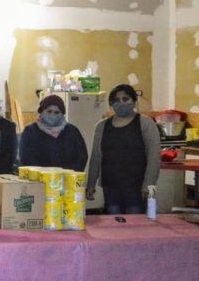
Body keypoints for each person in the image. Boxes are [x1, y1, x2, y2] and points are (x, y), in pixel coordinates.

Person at [86, 84, 161, 214]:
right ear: (111, 104)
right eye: (116, 100)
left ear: (134, 101)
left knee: (135, 225)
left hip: (137, 187)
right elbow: (96, 157)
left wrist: (148, 186)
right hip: (110, 186)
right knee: (113, 224)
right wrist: (90, 185)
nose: (121, 103)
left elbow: (154, 156)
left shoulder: (145, 123)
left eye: (125, 99)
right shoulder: (102, 126)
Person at [19, 95, 88, 171]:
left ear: (62, 114)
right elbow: (26, 159)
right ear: (41, 111)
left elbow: (82, 157)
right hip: (38, 180)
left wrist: (68, 174)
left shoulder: (72, 131)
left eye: (57, 112)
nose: (52, 115)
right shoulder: (30, 132)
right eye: (49, 111)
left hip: (68, 180)